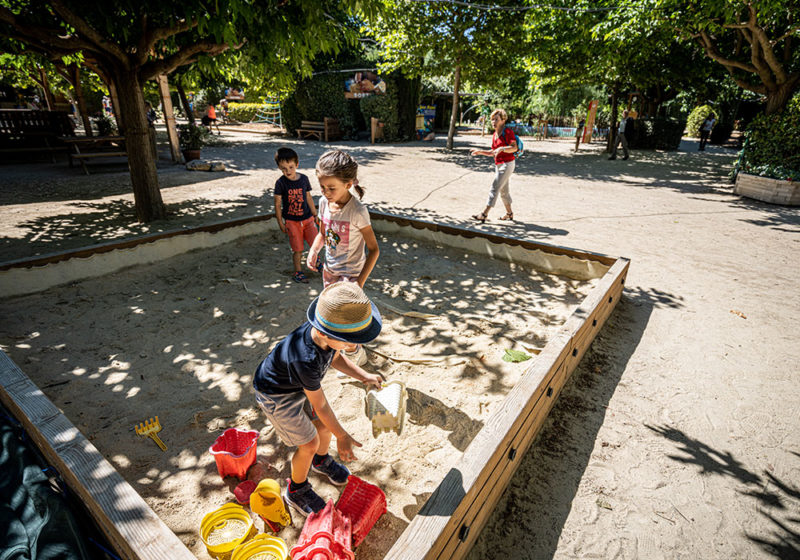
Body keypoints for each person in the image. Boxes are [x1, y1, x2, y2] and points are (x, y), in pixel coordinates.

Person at [253, 282, 384, 517]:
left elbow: (335, 357)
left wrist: (363, 376)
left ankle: (321, 461)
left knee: (323, 427)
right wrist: (342, 436)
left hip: (296, 385)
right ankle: (297, 490)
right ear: (324, 332)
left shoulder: (326, 335)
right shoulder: (305, 359)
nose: (353, 346)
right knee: (309, 443)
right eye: (348, 341)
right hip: (277, 395)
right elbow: (320, 404)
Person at [307, 150, 380, 289]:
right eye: (322, 186)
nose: (325, 192)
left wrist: (359, 282)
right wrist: (314, 251)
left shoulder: (357, 211)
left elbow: (374, 250)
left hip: (351, 276)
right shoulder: (323, 203)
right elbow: (323, 234)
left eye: (331, 188)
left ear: (348, 185)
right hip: (329, 271)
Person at [274, 148, 319, 284]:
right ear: (279, 168)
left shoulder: (304, 179)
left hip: (308, 219)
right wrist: (281, 223)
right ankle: (298, 271)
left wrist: (315, 214)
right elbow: (277, 204)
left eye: (291, 167)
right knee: (298, 249)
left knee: (315, 244)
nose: (288, 171)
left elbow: (309, 197)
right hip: (292, 222)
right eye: (283, 169)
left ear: (297, 164)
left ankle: (316, 263)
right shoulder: (281, 183)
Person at [470, 108, 517, 223]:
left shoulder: (508, 132)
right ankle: (509, 214)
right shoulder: (495, 135)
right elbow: (493, 152)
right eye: (492, 119)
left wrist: (502, 148)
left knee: (494, 187)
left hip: (508, 164)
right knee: (503, 191)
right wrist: (480, 151)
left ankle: (484, 213)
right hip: (499, 165)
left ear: (503, 120)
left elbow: (514, 148)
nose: (493, 122)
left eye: (496, 119)